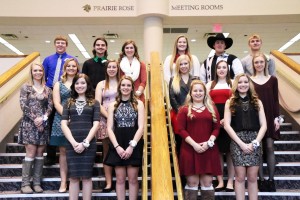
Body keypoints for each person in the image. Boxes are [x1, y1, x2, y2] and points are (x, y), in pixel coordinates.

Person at [224, 73, 267, 200]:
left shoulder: (257, 102)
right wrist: (241, 144)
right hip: (237, 141)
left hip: (255, 140)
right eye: (240, 82)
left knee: (253, 177)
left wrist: (255, 142)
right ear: (236, 85)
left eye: (245, 82)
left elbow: (264, 125)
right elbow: (227, 125)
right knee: (240, 177)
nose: (243, 85)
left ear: (250, 84)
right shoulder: (230, 102)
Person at [177, 79, 221, 200]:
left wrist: (208, 143)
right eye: (195, 90)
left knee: (207, 183)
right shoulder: (184, 110)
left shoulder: (212, 108)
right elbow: (181, 130)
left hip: (208, 149)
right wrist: (194, 145)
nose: (198, 93)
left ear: (205, 92)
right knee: (192, 183)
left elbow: (216, 128)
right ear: (190, 93)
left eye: (200, 90)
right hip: (190, 150)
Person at [104, 76, 144, 200]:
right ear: (119, 87)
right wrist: (117, 147)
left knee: (132, 179)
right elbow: (109, 128)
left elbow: (141, 127)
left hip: (134, 144)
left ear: (132, 88)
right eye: (123, 85)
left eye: (128, 85)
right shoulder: (113, 105)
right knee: (120, 179)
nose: (125, 88)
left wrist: (132, 146)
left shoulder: (139, 104)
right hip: (117, 143)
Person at [61, 74, 100, 200]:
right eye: (77, 83)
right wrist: (73, 143)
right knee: (73, 177)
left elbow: (96, 124)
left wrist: (85, 143)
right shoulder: (68, 102)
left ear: (88, 85)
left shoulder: (95, 103)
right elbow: (63, 124)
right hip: (71, 143)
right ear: (74, 85)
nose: (80, 86)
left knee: (87, 177)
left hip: (88, 144)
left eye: (83, 83)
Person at [18, 63, 53, 194]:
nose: (38, 72)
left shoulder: (48, 89)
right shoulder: (25, 87)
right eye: (35, 70)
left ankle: (37, 183)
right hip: (29, 125)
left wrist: (43, 119)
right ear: (31, 72)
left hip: (43, 125)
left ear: (43, 72)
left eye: (40, 70)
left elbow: (50, 106)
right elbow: (23, 105)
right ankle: (25, 184)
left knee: (40, 153)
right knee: (31, 153)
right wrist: (35, 119)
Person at [43, 35, 75, 166]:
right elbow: (43, 75)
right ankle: (50, 156)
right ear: (55, 45)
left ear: (66, 45)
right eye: (58, 43)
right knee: (50, 124)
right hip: (51, 90)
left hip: (67, 90)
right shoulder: (48, 59)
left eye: (63, 43)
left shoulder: (71, 59)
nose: (60, 45)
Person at [250, 53, 280, 192]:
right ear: (253, 64)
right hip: (255, 118)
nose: (259, 64)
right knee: (258, 150)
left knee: (269, 147)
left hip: (269, 116)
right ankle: (261, 180)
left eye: (261, 62)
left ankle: (271, 180)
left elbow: (275, 100)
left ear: (265, 64)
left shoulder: (273, 80)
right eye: (257, 62)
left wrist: (277, 118)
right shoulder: (249, 80)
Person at [49, 58, 79, 193]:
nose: (71, 68)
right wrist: (67, 117)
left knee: (76, 150)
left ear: (77, 68)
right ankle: (63, 182)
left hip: (79, 119)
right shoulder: (58, 84)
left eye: (74, 66)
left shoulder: (80, 82)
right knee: (63, 152)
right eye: (69, 66)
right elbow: (56, 103)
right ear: (65, 68)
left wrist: (76, 117)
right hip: (61, 120)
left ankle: (75, 180)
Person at [206, 60, 234, 192]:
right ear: (215, 70)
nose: (222, 70)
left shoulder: (232, 83)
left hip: (231, 120)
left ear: (228, 70)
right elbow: (206, 103)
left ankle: (230, 181)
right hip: (214, 120)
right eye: (219, 68)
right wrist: (217, 120)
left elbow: (236, 103)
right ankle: (220, 180)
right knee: (217, 152)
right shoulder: (210, 84)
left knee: (230, 152)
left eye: (224, 67)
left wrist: (226, 119)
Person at [95, 60, 120, 193]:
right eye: (109, 67)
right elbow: (97, 103)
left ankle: (120, 180)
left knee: (119, 148)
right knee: (107, 151)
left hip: (120, 117)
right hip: (104, 117)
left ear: (118, 69)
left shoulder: (122, 82)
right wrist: (109, 116)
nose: (111, 69)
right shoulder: (101, 84)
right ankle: (108, 182)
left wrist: (117, 116)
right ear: (106, 69)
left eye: (114, 67)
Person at [169, 55, 193, 155]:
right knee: (180, 142)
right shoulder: (173, 79)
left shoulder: (195, 79)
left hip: (194, 113)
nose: (183, 66)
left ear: (189, 64)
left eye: (185, 63)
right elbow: (172, 98)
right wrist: (182, 112)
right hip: (178, 115)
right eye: (181, 64)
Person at [119, 40, 147, 104]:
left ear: (135, 50)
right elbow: (119, 81)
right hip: (123, 97)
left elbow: (143, 82)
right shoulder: (119, 65)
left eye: (131, 48)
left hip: (138, 96)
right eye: (127, 48)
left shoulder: (141, 64)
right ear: (124, 50)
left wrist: (138, 93)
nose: (129, 50)